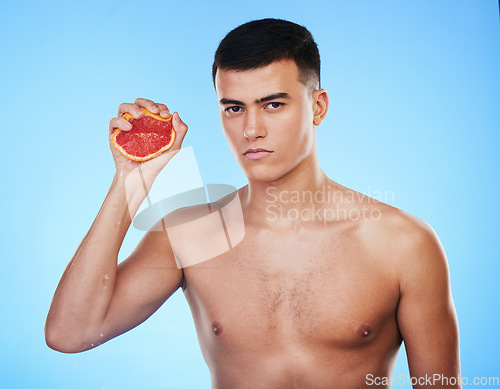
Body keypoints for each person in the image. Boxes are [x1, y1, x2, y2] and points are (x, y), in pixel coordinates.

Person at [45, 18, 461, 388]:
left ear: (318, 107)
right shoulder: (191, 234)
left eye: (273, 104)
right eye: (233, 108)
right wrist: (132, 179)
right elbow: (71, 333)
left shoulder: (403, 243)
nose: (251, 129)